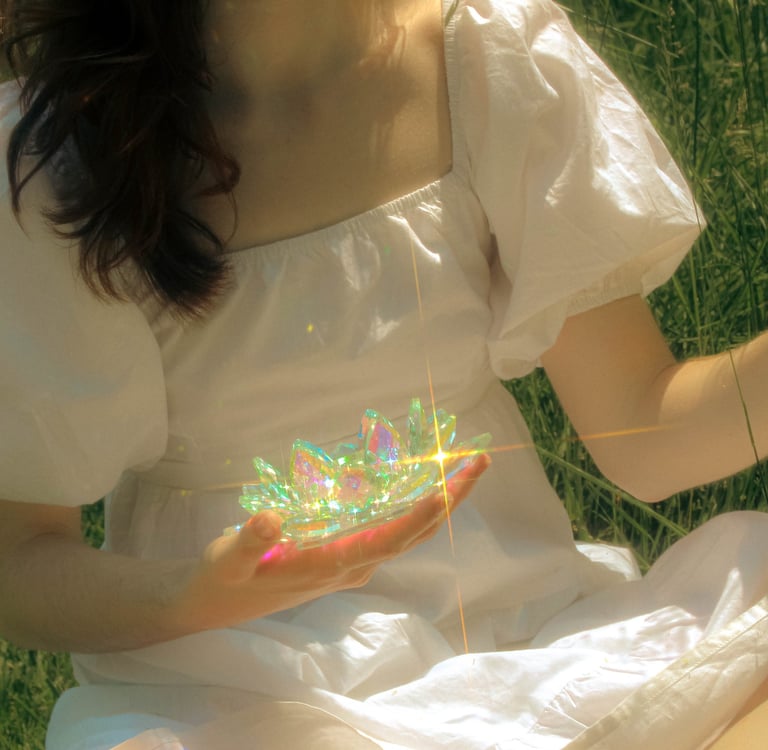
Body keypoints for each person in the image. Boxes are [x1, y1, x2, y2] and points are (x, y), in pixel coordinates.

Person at [0, 0, 767, 748]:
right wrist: (196, 592)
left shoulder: (485, 61)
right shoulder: (62, 158)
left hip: (518, 644)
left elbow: (643, 429)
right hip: (239, 688)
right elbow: (20, 561)